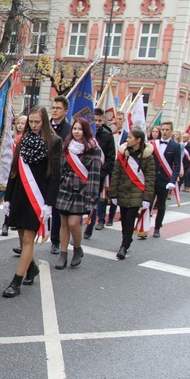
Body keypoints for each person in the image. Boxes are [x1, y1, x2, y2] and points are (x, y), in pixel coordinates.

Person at [2, 105, 61, 297]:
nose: (34, 125)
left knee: (28, 238)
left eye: (38, 122)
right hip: (20, 192)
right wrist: (8, 197)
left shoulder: (54, 141)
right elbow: (13, 170)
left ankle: (16, 282)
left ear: (44, 122)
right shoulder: (23, 139)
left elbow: (55, 174)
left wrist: (49, 204)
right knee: (21, 235)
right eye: (31, 122)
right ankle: (31, 267)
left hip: (39, 195)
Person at [54, 119, 101, 269]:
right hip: (65, 189)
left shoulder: (93, 149)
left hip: (81, 191)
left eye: (80, 129)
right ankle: (63, 253)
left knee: (73, 223)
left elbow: (94, 174)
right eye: (74, 128)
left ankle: (77, 248)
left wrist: (92, 198)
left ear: (85, 131)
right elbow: (60, 167)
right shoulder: (66, 146)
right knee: (64, 224)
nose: (76, 131)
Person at [109, 127, 155, 259]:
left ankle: (124, 245)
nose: (127, 140)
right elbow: (116, 174)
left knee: (130, 219)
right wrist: (113, 193)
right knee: (124, 219)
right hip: (123, 190)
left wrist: (147, 198)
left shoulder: (148, 158)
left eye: (130, 137)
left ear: (138, 140)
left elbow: (150, 179)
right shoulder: (123, 155)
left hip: (137, 192)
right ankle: (126, 239)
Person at [84, 108, 116, 238]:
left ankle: (89, 228)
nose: (96, 123)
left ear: (103, 120)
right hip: (83, 173)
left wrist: (101, 174)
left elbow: (110, 158)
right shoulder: (86, 133)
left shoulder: (107, 136)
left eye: (99, 120)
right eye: (94, 120)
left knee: (93, 201)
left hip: (98, 176)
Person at [149, 120, 181, 237]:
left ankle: (157, 228)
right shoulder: (153, 143)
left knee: (161, 205)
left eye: (167, 130)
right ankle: (145, 226)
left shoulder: (176, 146)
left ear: (171, 131)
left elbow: (177, 165)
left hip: (164, 180)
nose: (164, 132)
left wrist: (172, 181)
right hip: (152, 178)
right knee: (147, 203)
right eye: (163, 129)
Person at [49, 96, 71, 254]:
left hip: (59, 174)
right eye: (53, 107)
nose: (55, 110)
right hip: (42, 171)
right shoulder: (45, 125)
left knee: (56, 209)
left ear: (65, 111)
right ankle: (28, 241)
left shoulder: (69, 130)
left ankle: (55, 241)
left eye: (58, 108)